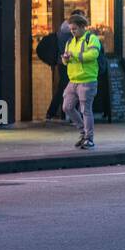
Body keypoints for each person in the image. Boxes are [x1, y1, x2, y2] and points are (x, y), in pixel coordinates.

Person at [61, 12, 101, 149]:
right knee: (67, 107)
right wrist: (65, 59)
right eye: (71, 29)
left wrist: (75, 56)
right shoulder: (69, 42)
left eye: (74, 29)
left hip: (87, 79)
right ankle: (83, 132)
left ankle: (89, 139)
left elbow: (94, 54)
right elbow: (66, 61)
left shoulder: (92, 38)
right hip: (73, 80)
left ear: (82, 27)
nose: (72, 32)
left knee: (86, 110)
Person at [45, 9, 82, 121]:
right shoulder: (70, 31)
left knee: (63, 88)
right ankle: (62, 114)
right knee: (69, 89)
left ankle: (53, 113)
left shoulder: (64, 29)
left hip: (63, 63)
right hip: (67, 64)